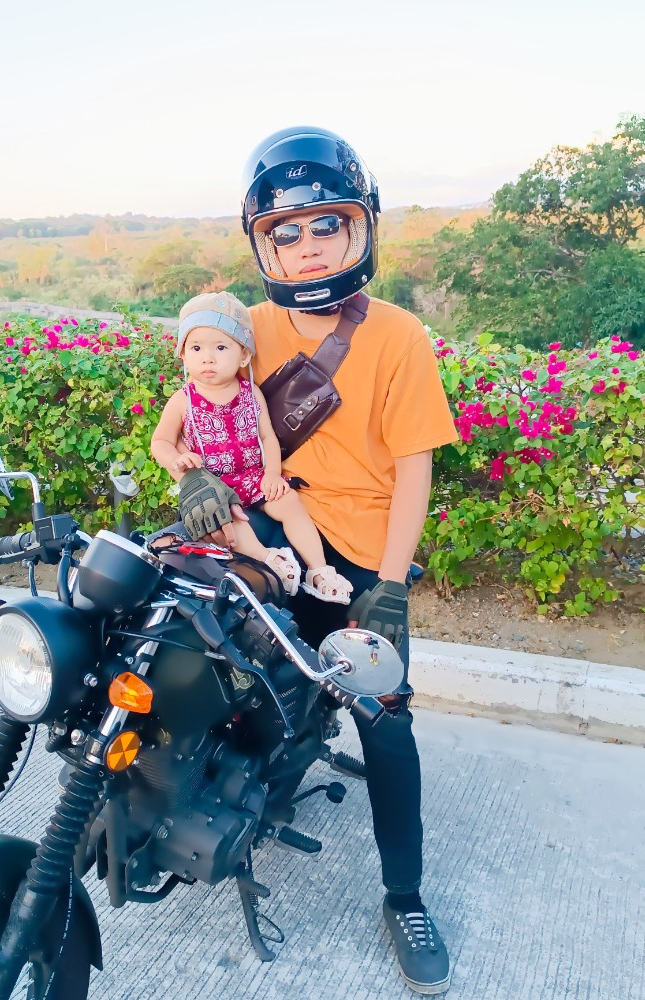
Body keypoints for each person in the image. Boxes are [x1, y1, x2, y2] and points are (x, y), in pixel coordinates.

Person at [174, 127, 459, 995]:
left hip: (361, 551)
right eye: (286, 232)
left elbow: (415, 469)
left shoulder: (399, 336)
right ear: (262, 243)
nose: (308, 247)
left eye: (326, 224)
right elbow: (194, 415)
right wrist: (193, 479)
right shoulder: (246, 326)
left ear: (360, 226)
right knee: (190, 650)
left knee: (385, 717)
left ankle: (405, 894)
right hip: (266, 532)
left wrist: (391, 586)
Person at [151, 291, 353, 602]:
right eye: (196, 348)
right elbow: (161, 441)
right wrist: (178, 460)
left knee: (289, 503)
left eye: (221, 347)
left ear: (244, 355)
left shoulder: (250, 392)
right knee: (230, 522)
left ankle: (319, 570)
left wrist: (271, 473)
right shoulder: (183, 400)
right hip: (217, 487)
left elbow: (267, 437)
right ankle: (269, 559)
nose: (208, 358)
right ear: (183, 355)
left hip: (253, 477)